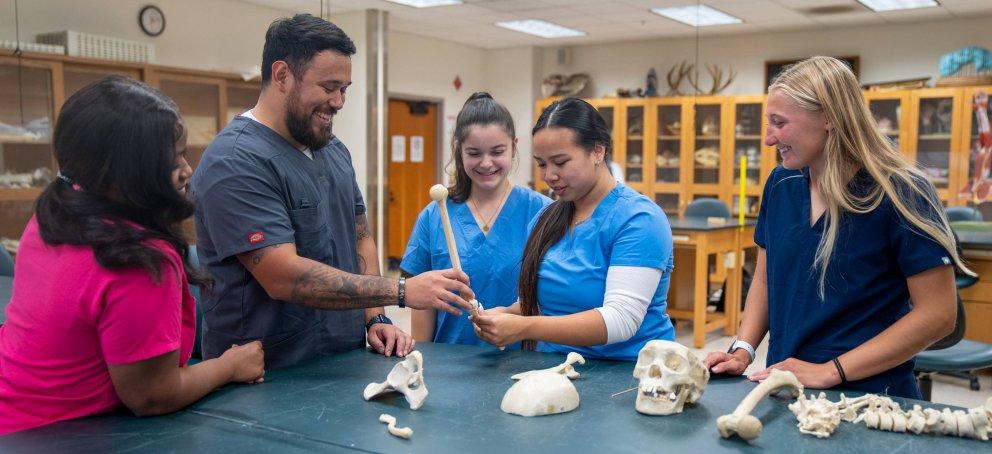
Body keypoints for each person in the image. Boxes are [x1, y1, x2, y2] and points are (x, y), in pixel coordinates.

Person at [191, 14, 474, 369]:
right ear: (282, 76)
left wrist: (375, 317)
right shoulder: (235, 161)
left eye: (345, 89)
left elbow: (361, 237)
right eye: (328, 87)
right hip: (266, 373)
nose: (339, 102)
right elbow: (282, 276)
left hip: (343, 360)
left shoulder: (331, 150)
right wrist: (400, 291)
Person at [0, 76, 265, 434]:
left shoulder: (53, 216)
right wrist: (229, 366)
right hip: (48, 435)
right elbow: (153, 395)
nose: (188, 170)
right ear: (122, 172)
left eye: (185, 153)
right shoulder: (137, 260)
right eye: (173, 160)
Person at [703, 56, 973, 399]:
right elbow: (766, 278)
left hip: (872, 396)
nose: (769, 139)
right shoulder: (781, 183)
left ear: (829, 118)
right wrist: (743, 350)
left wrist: (831, 371)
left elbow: (938, 315)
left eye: (779, 123)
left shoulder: (902, 191)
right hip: (787, 387)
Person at [472, 98, 676, 361]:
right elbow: (545, 303)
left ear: (598, 151)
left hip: (626, 374)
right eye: (542, 164)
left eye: (560, 162)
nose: (549, 175)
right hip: (555, 367)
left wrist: (522, 327)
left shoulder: (640, 219)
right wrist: (505, 315)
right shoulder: (546, 219)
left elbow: (621, 319)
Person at [401, 92, 551, 347]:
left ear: (514, 146)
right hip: (450, 369)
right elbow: (423, 303)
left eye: (497, 151)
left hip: (522, 367)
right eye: (474, 152)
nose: (486, 163)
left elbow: (554, 298)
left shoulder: (543, 212)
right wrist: (423, 361)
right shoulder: (435, 215)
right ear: (458, 149)